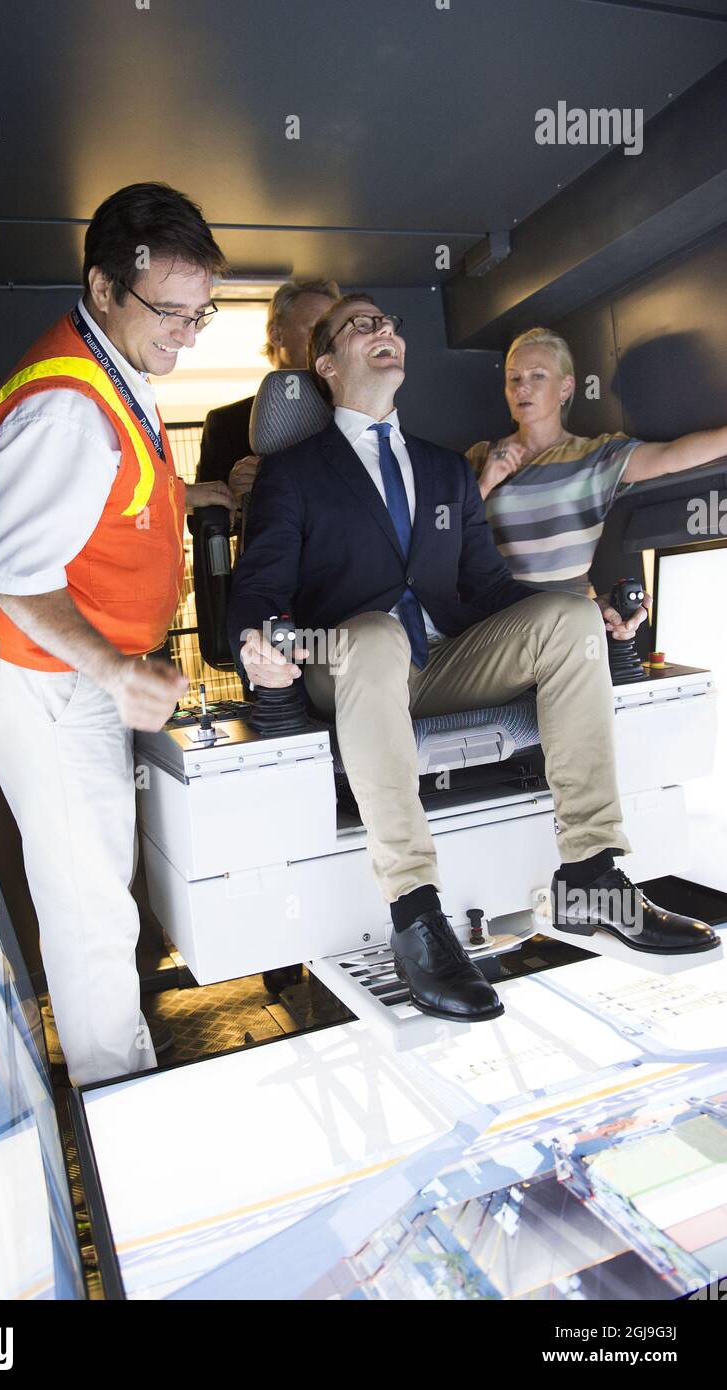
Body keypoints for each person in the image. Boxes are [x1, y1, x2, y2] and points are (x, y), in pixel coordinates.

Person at [228, 294, 717, 1026]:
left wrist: (587, 618)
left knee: (570, 618)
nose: (384, 328)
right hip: (346, 660)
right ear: (326, 365)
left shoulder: (444, 470)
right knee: (374, 637)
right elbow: (259, 588)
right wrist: (254, 642)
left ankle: (591, 876)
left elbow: (486, 588)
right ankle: (414, 911)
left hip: (441, 659)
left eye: (388, 321)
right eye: (362, 324)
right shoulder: (292, 474)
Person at [0, 183, 235, 1087]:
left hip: (76, 679)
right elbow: (17, 576)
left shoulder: (115, 368)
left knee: (99, 893)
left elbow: (111, 502)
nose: (185, 335)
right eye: (170, 311)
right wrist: (115, 672)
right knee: (88, 908)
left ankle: (120, 1079)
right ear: (105, 285)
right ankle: (118, 1105)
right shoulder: (68, 408)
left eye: (200, 316)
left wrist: (190, 498)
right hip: (48, 683)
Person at [467, 326, 727, 640]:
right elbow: (441, 539)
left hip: (572, 623)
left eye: (538, 376)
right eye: (514, 378)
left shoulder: (595, 458)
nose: (524, 387)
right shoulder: (481, 457)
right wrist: (485, 483)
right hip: (500, 622)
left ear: (565, 388)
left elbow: (672, 456)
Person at [196, 278, 339, 500]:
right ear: (276, 335)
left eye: (334, 333)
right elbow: (200, 523)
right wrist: (234, 497)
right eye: (315, 330)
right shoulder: (225, 424)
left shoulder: (350, 417)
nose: (329, 343)